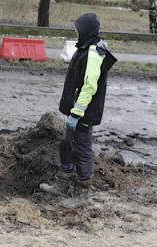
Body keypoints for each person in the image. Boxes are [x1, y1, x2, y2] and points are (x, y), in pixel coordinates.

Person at [40, 13, 117, 208]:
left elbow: (89, 86)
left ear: (86, 30)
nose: (75, 32)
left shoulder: (93, 53)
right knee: (67, 143)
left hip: (83, 113)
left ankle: (82, 191)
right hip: (75, 110)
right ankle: (62, 182)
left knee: (82, 148)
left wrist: (77, 112)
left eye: (78, 29)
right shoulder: (85, 48)